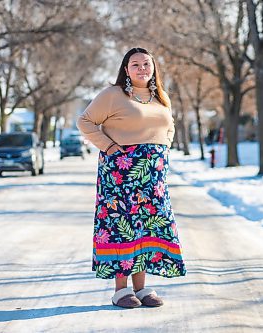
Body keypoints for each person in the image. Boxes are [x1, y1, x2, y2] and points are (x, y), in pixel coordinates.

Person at [77, 47, 186, 309]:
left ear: (154, 68)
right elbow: (85, 121)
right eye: (135, 65)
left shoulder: (161, 97)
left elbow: (169, 128)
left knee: (147, 227)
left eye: (146, 64)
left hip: (153, 177)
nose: (142, 69)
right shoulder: (113, 95)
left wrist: (162, 150)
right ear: (126, 69)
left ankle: (143, 288)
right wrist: (110, 147)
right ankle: (121, 290)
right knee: (123, 227)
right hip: (120, 174)